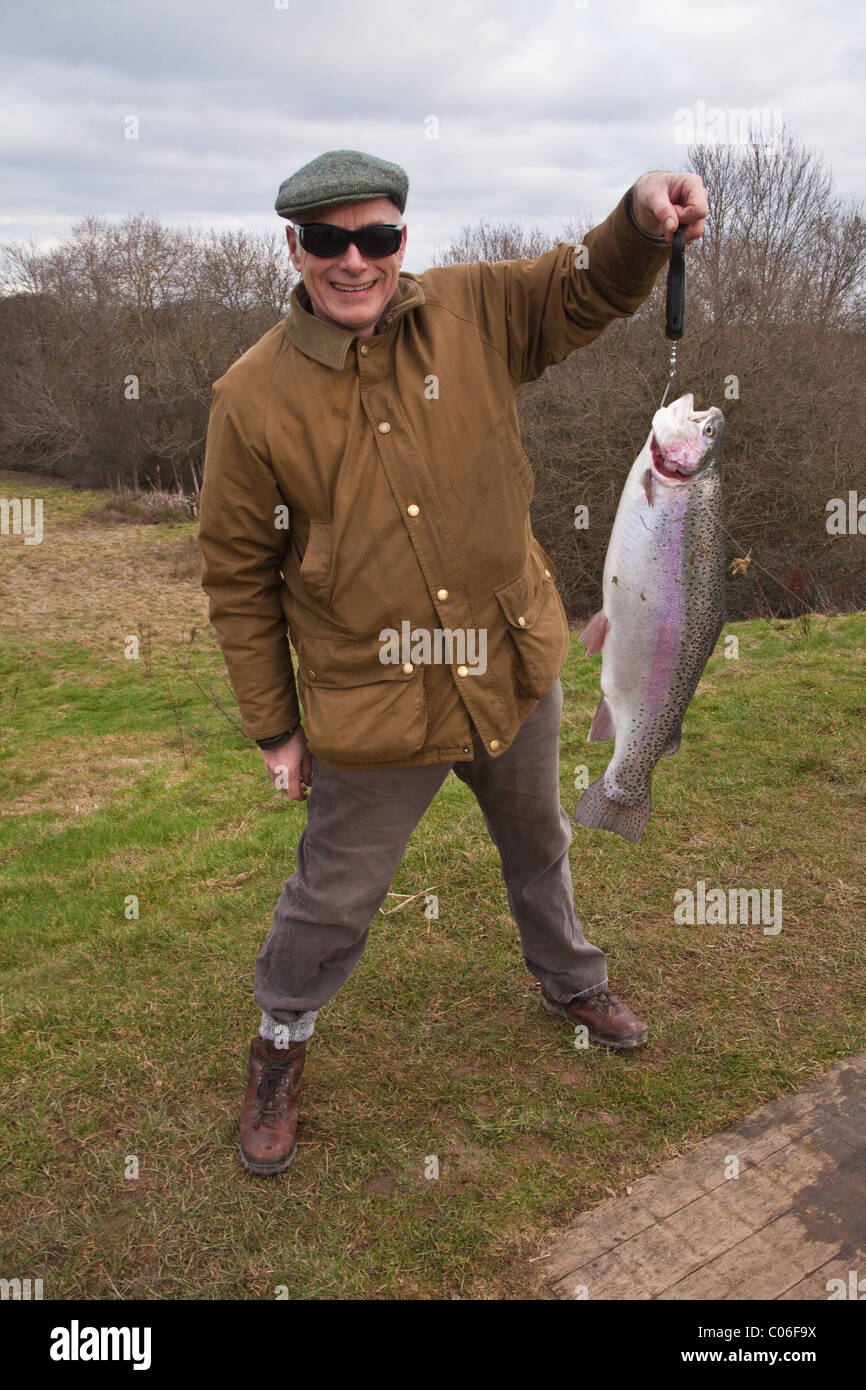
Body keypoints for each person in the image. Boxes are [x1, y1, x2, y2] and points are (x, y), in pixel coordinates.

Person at [198, 149, 708, 1176]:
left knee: (541, 844)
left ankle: (571, 979)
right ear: (293, 248)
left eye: (377, 236)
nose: (355, 261)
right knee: (332, 897)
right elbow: (238, 582)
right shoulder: (248, 399)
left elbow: (589, 284)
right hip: (371, 708)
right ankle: (280, 1044)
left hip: (510, 664)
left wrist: (642, 220)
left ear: (401, 238)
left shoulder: (474, 314)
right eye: (330, 241)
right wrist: (274, 728)